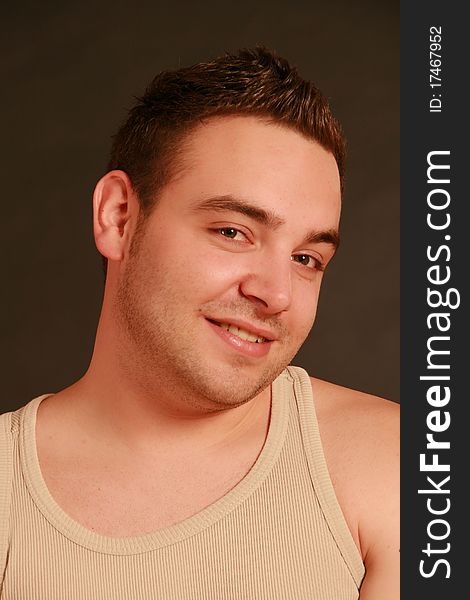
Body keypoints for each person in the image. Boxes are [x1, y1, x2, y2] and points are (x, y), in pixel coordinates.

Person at [0, 47, 399, 599]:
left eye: (306, 259)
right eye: (233, 232)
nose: (276, 294)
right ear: (118, 217)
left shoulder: (400, 468)